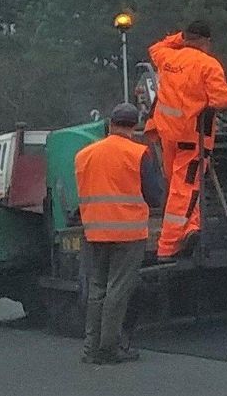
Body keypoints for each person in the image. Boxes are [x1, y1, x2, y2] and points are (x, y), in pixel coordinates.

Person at [75, 102, 165, 365]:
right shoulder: (139, 153)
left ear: (110, 124)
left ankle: (91, 348)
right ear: (134, 125)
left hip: (94, 232)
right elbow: (154, 196)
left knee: (97, 289)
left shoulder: (84, 154)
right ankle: (110, 347)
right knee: (118, 290)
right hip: (128, 233)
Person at [147, 20, 227, 260]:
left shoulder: (167, 57)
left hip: (167, 135)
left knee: (183, 187)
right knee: (184, 189)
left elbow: (155, 48)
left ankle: (192, 228)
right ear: (206, 42)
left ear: (185, 38)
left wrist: (180, 38)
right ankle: (168, 245)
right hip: (191, 138)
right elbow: (222, 100)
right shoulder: (208, 65)